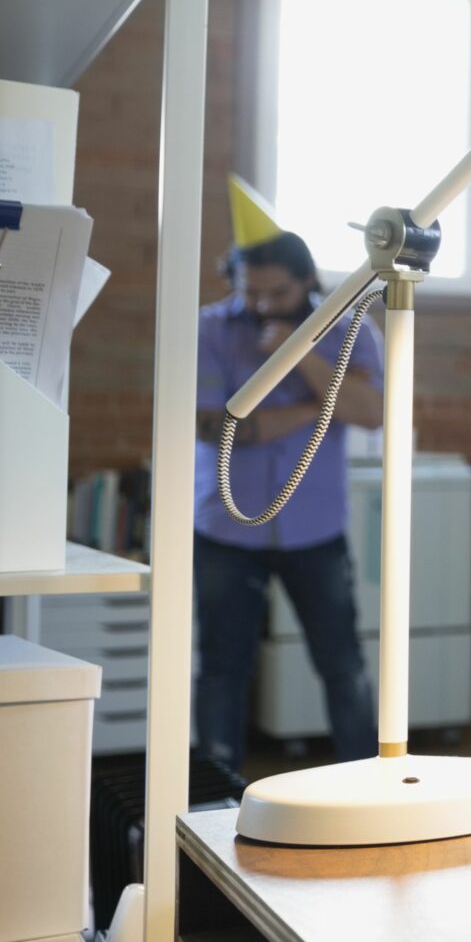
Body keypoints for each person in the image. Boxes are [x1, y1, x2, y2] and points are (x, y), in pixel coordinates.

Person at [194, 184, 383, 773]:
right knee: (223, 665)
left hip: (315, 528)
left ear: (306, 283)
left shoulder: (347, 331)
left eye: (278, 292)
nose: (264, 304)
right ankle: (214, 795)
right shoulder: (209, 329)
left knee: (342, 662)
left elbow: (374, 412)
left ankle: (365, 779)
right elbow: (217, 426)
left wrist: (299, 355)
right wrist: (314, 409)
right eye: (250, 291)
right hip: (226, 526)